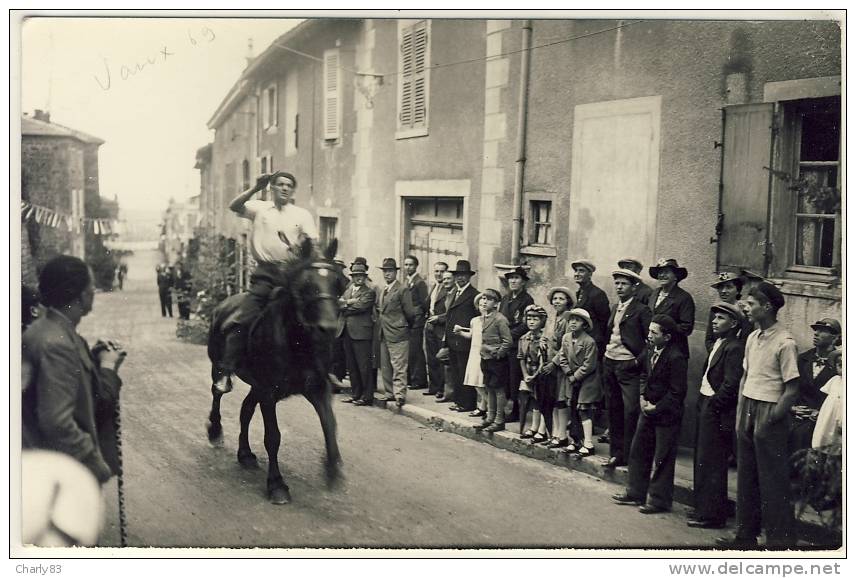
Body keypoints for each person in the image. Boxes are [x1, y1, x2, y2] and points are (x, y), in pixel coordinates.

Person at [22, 255, 127, 485]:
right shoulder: (56, 344)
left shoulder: (53, 330)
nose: (93, 291)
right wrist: (93, 461)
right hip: (60, 475)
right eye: (91, 287)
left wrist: (99, 361)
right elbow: (57, 422)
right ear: (79, 295)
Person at [214, 171, 318, 394]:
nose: (284, 188)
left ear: (293, 190)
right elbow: (234, 206)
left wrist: (303, 251)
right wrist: (254, 188)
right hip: (266, 273)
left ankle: (321, 369)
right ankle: (227, 370)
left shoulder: (302, 215)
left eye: (289, 185)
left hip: (293, 274)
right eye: (280, 184)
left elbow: (313, 243)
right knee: (245, 316)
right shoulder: (259, 208)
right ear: (271, 188)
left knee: (315, 314)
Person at [716, 282, 800, 550]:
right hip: (748, 408)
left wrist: (773, 417)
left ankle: (780, 541)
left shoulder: (785, 342)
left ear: (767, 307)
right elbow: (745, 377)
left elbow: (792, 388)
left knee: (772, 480)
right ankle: (745, 536)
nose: (746, 308)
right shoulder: (752, 338)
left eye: (751, 304)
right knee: (747, 477)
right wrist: (742, 409)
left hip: (769, 412)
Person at [613, 314, 687, 514]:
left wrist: (657, 407)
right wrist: (642, 397)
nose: (649, 335)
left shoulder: (676, 357)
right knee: (638, 451)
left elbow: (677, 392)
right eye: (649, 330)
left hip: (666, 414)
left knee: (662, 457)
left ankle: (659, 500)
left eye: (654, 332)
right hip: (647, 409)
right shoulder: (650, 350)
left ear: (667, 337)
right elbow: (644, 375)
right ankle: (635, 492)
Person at [689, 302, 746, 529]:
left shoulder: (734, 347)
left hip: (716, 409)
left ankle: (713, 515)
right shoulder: (719, 343)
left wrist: (714, 405)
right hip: (705, 403)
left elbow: (731, 384)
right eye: (714, 318)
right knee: (702, 458)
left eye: (720, 319)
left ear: (733, 324)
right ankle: (703, 508)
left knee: (712, 461)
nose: (714, 322)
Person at [601, 268, 652, 470]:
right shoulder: (615, 307)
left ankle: (632, 456)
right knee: (613, 410)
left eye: (624, 284)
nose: (620, 287)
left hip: (628, 366)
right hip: (610, 363)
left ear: (634, 287)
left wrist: (637, 362)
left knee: (631, 411)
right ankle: (616, 454)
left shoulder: (642, 310)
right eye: (618, 284)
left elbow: (650, 342)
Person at [790, 318, 841, 453]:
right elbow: (791, 387)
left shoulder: (840, 364)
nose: (816, 334)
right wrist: (792, 407)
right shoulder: (802, 358)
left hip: (824, 421)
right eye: (816, 330)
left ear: (835, 338)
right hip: (797, 418)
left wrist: (820, 412)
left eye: (822, 331)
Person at [556, 308, 601, 457]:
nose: (573, 323)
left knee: (583, 409)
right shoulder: (566, 338)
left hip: (587, 380)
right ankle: (575, 440)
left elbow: (589, 365)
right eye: (571, 320)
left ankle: (588, 443)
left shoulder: (589, 342)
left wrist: (575, 376)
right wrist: (569, 373)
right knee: (572, 408)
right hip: (571, 377)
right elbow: (562, 357)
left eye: (578, 320)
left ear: (585, 324)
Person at [467, 289, 512, 433]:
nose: (485, 302)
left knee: (498, 389)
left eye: (489, 299)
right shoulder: (484, 318)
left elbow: (507, 341)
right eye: (483, 299)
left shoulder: (500, 319)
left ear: (496, 304)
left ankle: (499, 420)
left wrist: (499, 354)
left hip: (497, 360)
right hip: (485, 358)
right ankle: (489, 417)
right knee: (489, 387)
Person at [374, 258, 416, 407]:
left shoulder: (402, 289)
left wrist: (403, 327)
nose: (387, 274)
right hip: (384, 333)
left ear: (396, 273)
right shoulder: (382, 289)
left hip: (398, 333)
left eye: (390, 271)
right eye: (385, 271)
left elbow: (410, 313)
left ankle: (399, 396)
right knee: (385, 365)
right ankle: (389, 393)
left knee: (399, 366)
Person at [538, 286, 575, 448]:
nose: (557, 302)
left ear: (568, 302)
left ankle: (562, 435)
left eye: (561, 298)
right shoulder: (552, 318)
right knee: (551, 399)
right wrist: (542, 342)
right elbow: (546, 337)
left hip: (561, 366)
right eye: (555, 299)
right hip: (548, 363)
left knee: (561, 400)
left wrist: (554, 363)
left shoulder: (568, 320)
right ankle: (553, 433)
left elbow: (566, 346)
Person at [337, 261, 376, 406]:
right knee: (352, 366)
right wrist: (351, 301)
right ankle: (356, 394)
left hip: (362, 333)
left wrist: (346, 304)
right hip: (347, 331)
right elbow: (337, 304)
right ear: (352, 277)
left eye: (361, 275)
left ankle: (367, 396)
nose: (359, 277)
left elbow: (361, 306)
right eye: (356, 275)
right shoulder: (348, 290)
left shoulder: (369, 291)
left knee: (363, 366)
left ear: (365, 276)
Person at [498, 266, 535, 423]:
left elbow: (525, 324)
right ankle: (505, 407)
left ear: (523, 282)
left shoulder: (527, 300)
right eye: (511, 278)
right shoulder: (506, 298)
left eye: (517, 278)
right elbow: (499, 318)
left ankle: (515, 410)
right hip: (503, 343)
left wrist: (508, 336)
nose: (513, 281)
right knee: (504, 376)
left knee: (515, 377)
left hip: (516, 344)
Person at [444, 260, 480, 413]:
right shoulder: (454, 293)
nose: (460, 278)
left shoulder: (474, 295)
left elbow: (478, 319)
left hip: (465, 340)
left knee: (465, 372)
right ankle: (458, 401)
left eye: (464, 275)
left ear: (469, 277)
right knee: (456, 372)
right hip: (453, 340)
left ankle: (467, 403)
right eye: (458, 275)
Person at [648, 258, 696, 359]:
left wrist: (665, 331)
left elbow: (686, 328)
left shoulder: (684, 297)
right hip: (654, 347)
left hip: (674, 350)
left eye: (666, 272)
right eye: (660, 272)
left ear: (675, 277)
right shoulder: (654, 293)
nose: (662, 275)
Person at [518, 304, 550, 440]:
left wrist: (535, 375)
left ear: (542, 321)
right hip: (529, 373)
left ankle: (542, 430)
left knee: (541, 400)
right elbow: (521, 357)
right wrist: (526, 375)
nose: (531, 321)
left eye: (535, 319)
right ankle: (533, 427)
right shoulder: (524, 338)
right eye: (529, 318)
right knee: (532, 401)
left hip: (541, 373)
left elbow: (545, 359)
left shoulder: (545, 339)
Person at [572, 259, 610, 358]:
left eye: (581, 271)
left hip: (592, 343)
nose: (577, 274)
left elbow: (604, 323)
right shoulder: (578, 293)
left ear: (590, 274)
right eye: (576, 271)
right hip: (579, 341)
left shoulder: (597, 294)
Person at [705, 272, 751, 350]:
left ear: (738, 290)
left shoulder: (745, 311)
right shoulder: (715, 310)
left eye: (729, 287)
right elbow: (709, 340)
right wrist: (715, 353)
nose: (723, 291)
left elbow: (745, 340)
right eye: (721, 287)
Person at [403, 255, 429, 391]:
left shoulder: (420, 283)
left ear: (416, 266)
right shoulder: (406, 281)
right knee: (410, 351)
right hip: (408, 320)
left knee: (416, 350)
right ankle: (411, 378)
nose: (408, 268)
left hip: (417, 320)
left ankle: (419, 380)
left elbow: (425, 303)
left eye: (411, 265)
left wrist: (419, 315)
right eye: (406, 265)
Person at [424, 261, 450, 398]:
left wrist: (439, 319)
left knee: (440, 359)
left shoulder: (448, 289)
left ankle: (441, 389)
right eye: (436, 271)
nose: (438, 274)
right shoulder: (434, 287)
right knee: (431, 358)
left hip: (441, 328)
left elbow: (450, 312)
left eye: (441, 271)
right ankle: (433, 387)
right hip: (430, 327)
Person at [460, 292, 487, 418]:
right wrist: (460, 332)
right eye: (481, 304)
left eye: (485, 304)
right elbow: (471, 335)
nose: (483, 306)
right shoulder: (474, 321)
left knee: (484, 383)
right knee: (475, 382)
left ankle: (487, 407)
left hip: (485, 354)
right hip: (474, 353)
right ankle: (483, 406)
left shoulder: (493, 320)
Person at [812, 349, 842, 449]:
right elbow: (825, 399)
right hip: (829, 416)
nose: (841, 366)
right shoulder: (835, 380)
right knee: (824, 435)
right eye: (839, 364)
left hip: (842, 417)